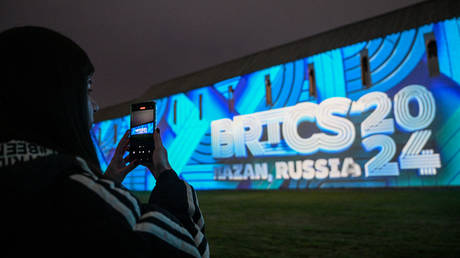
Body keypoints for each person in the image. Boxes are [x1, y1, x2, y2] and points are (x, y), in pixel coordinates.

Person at [0, 26, 209, 258]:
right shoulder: (72, 196)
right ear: (55, 99)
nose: (95, 105)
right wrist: (164, 172)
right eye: (87, 89)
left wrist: (107, 181)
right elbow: (188, 247)